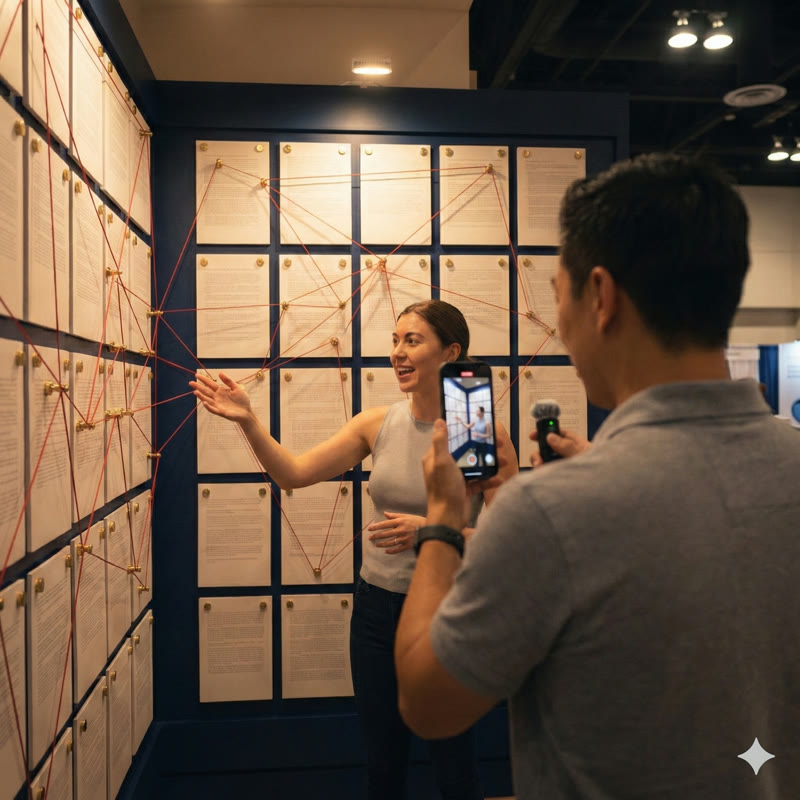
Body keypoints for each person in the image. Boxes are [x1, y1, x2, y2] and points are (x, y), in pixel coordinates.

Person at [394, 154, 800, 799]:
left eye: (560, 295)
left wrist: (442, 521)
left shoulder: (550, 512)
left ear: (602, 298)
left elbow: (427, 704)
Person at [190, 299, 517, 800]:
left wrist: (432, 531)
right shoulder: (377, 423)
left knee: (454, 765)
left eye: (413, 341)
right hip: (375, 610)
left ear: (452, 353)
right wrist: (248, 421)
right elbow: (294, 473)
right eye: (395, 340)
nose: (398, 352)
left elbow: (508, 540)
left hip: (447, 609)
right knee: (383, 762)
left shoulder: (479, 431)